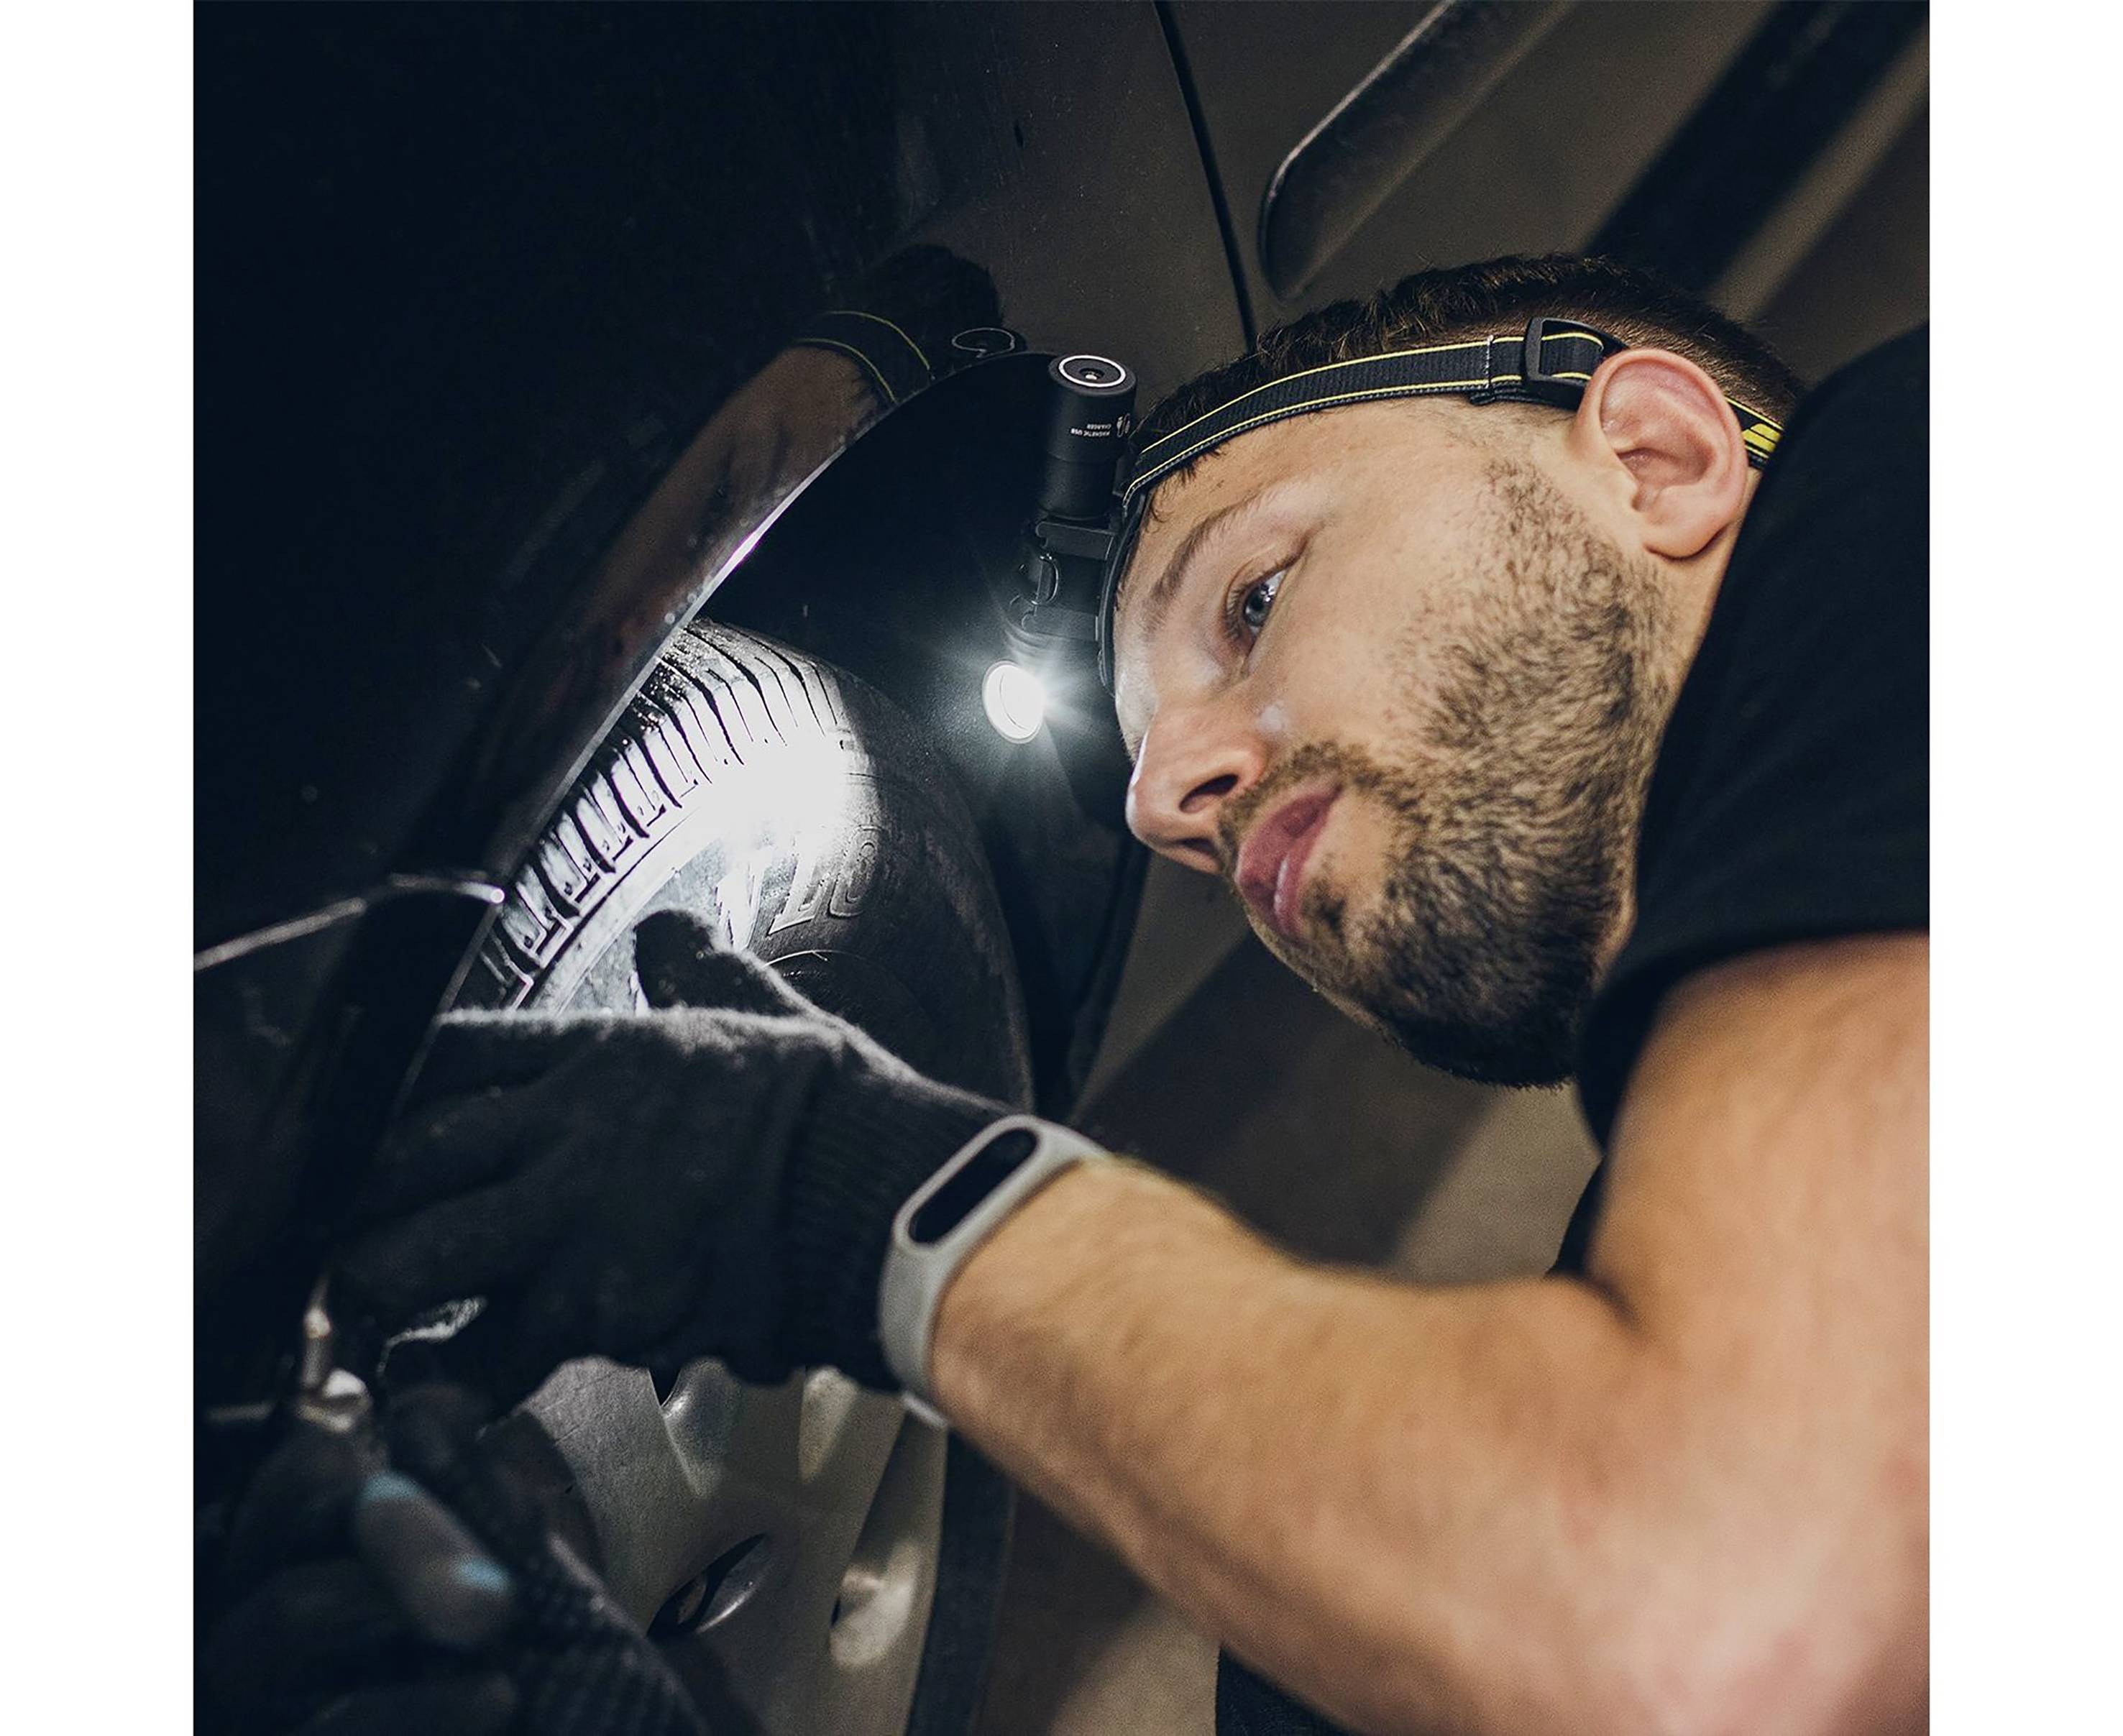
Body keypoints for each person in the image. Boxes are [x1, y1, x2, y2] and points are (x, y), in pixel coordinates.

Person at [210, 254, 1927, 1735]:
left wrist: (885, 1202)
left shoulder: (1928, 506)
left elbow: (1719, 1616)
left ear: (1655, 452)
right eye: (1154, 767)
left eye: (1256, 599)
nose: (1165, 794)